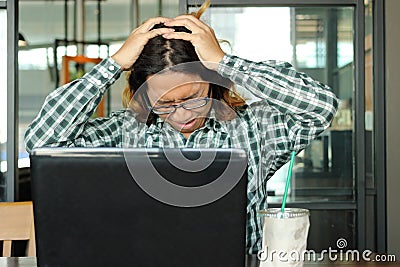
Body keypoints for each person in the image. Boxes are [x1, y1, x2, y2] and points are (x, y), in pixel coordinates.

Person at [24, 0, 338, 254]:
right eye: (164, 104)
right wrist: (113, 63)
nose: (181, 114)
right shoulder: (123, 132)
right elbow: (41, 143)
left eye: (193, 98)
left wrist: (224, 61)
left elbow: (320, 107)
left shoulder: (254, 128)